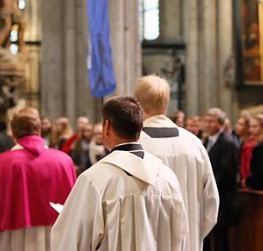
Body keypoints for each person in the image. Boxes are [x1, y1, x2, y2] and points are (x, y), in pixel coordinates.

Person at [51, 96, 187, 251]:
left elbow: (70, 241)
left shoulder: (95, 180)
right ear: (139, 128)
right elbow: (181, 235)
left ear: (107, 126)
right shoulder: (167, 176)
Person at [134, 75, 219, 251]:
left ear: (137, 103)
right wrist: (193, 235)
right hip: (189, 242)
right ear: (166, 103)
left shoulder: (134, 144)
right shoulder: (194, 143)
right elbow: (212, 201)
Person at [0, 107, 76, 251]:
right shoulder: (64, 160)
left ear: (13, 133)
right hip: (57, 231)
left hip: (11, 233)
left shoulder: (2, 163)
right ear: (39, 130)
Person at [203, 108, 240, 251]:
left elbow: (226, 172)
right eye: (206, 121)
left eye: (211, 121)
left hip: (224, 198)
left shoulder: (227, 142)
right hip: (212, 196)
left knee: (221, 239)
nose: (207, 124)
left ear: (220, 124)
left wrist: (207, 187)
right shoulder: (208, 140)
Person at [244, 113, 263, 190]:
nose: (251, 129)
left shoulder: (260, 147)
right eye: (250, 126)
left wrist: (247, 181)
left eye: (254, 126)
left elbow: (260, 172)